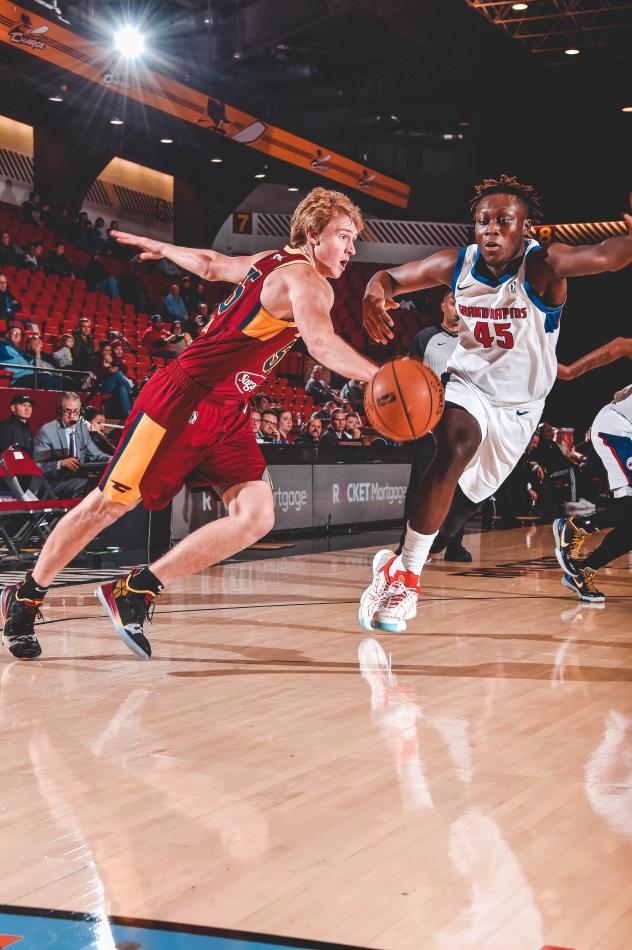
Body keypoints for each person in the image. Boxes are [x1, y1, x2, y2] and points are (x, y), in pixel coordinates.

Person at [0, 187, 377, 661]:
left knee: (256, 516)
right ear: (310, 235)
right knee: (108, 505)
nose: (350, 249)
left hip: (228, 409)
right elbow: (320, 343)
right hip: (179, 400)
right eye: (343, 236)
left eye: (353, 239)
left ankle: (137, 590)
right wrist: (379, 376)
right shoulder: (307, 280)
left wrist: (163, 249)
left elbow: (212, 264)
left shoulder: (271, 259)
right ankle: (26, 596)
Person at [359, 174, 632, 633]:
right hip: (469, 386)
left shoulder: (543, 266)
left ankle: (397, 562)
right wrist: (373, 292)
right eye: (483, 221)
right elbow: (391, 277)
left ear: (524, 227)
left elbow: (605, 257)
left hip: (521, 409)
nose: (491, 229)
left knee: (449, 526)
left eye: (504, 221)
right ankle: (405, 576)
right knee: (454, 446)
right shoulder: (456, 264)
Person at [396, 288, 472, 562]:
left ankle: (453, 544)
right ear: (443, 305)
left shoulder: (473, 341)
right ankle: (406, 543)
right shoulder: (425, 338)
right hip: (429, 423)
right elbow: (412, 378)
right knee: (418, 485)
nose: (458, 308)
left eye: (463, 303)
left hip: (462, 424)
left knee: (459, 484)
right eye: (453, 302)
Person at [553, 336, 632, 602]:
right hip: (618, 428)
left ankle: (582, 569)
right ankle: (576, 526)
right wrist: (570, 372)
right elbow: (620, 345)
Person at [32, 392, 111, 500]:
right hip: (52, 484)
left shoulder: (81, 429)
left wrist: (112, 459)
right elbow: (37, 467)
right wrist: (61, 463)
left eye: (76, 411)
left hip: (77, 479)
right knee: (91, 486)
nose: (72, 415)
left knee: (104, 483)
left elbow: (96, 455)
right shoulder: (47, 431)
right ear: (59, 411)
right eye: (68, 411)